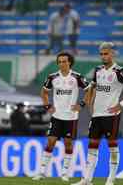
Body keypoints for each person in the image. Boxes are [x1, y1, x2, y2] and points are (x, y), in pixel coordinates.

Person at [72, 42, 123, 185]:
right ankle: (87, 180)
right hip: (97, 115)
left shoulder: (120, 71)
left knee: (112, 146)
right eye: (101, 54)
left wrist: (120, 104)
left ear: (113, 54)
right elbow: (92, 88)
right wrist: (89, 104)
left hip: (111, 115)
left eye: (106, 53)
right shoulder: (98, 70)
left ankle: (110, 179)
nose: (103, 56)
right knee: (92, 145)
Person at [32, 52, 90, 182]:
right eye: (59, 61)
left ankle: (64, 173)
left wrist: (82, 104)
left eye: (64, 61)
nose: (62, 64)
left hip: (71, 117)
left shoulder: (77, 77)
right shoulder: (52, 77)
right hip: (57, 116)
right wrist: (48, 106)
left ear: (70, 62)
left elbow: (89, 90)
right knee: (51, 142)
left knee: (68, 144)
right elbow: (44, 93)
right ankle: (41, 172)